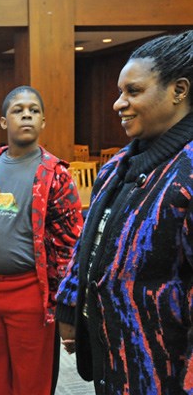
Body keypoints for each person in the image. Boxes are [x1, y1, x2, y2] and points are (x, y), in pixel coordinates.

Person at [56, 30, 193, 394]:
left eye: (133, 91)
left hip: (164, 372)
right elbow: (88, 241)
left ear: (179, 90)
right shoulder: (117, 165)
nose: (119, 103)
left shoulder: (188, 172)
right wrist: (71, 308)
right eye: (120, 92)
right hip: (113, 359)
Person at [0, 86, 83, 394]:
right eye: (18, 110)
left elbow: (70, 247)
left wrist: (66, 307)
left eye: (33, 110)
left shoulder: (54, 174)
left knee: (31, 379)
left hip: (31, 291)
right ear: (4, 122)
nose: (26, 114)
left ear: (43, 121)